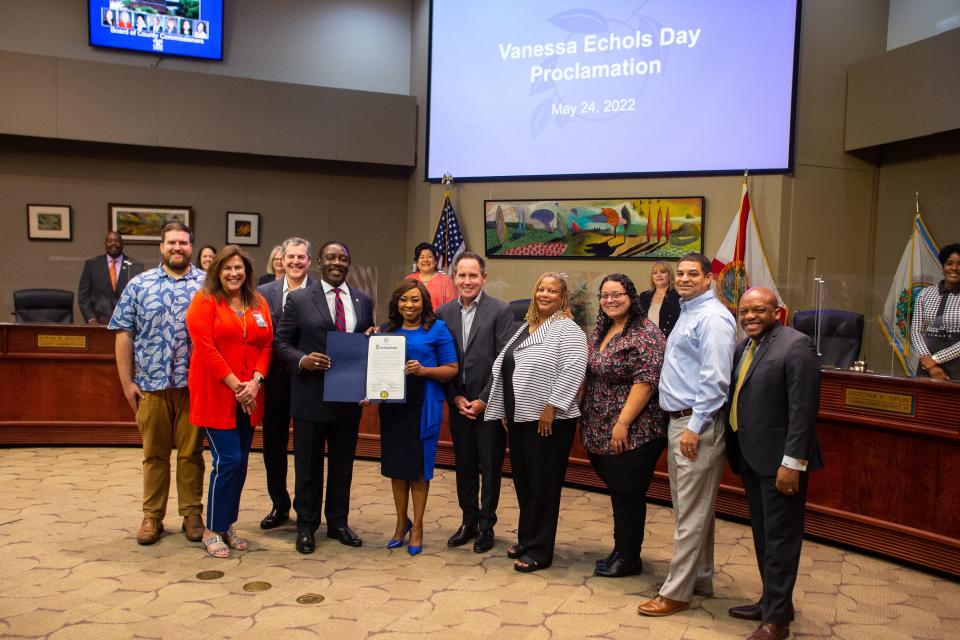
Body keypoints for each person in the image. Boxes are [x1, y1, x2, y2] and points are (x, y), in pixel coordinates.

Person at [637, 252, 736, 617]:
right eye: (680, 273)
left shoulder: (712, 318)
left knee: (690, 514)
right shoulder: (689, 309)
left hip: (697, 424)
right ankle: (701, 578)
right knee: (694, 511)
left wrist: (694, 427)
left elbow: (715, 381)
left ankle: (676, 592)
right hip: (680, 421)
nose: (683, 278)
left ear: (708, 278)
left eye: (693, 273)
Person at [724, 287, 823, 640]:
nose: (749, 316)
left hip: (781, 462)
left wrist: (793, 463)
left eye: (759, 310)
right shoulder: (744, 347)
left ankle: (777, 622)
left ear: (776, 313)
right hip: (751, 457)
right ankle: (772, 602)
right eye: (744, 311)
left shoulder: (796, 346)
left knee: (781, 540)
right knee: (764, 536)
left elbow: (803, 411)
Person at [482, 272, 587, 572]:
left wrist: (552, 407)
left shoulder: (569, 330)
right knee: (525, 482)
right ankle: (527, 539)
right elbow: (507, 368)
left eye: (552, 291)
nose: (544, 294)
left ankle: (540, 550)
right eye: (540, 288)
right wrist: (504, 408)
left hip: (549, 421)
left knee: (544, 485)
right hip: (519, 417)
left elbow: (573, 370)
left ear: (563, 297)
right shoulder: (526, 327)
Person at [108, 222, 205, 546]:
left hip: (193, 389)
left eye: (183, 243)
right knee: (154, 455)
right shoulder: (139, 285)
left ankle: (192, 514)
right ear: (161, 247)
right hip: (151, 388)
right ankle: (153, 517)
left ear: (191, 246)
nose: (177, 247)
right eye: (171, 242)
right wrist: (126, 383)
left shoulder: (208, 286)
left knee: (192, 455)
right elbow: (124, 334)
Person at [274, 241, 374, 553]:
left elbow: (364, 342)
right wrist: (302, 360)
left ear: (349, 263)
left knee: (343, 464)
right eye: (330, 257)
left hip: (348, 398)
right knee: (308, 465)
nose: (336, 263)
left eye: (342, 258)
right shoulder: (301, 298)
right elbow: (281, 342)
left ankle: (338, 523)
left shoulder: (363, 300)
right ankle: (306, 526)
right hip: (311, 397)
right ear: (319, 261)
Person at [186, 246, 273, 558]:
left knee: (240, 465)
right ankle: (212, 528)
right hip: (216, 394)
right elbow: (205, 348)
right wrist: (237, 385)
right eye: (227, 268)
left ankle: (226, 524)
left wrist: (257, 381)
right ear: (216, 272)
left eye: (239, 268)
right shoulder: (204, 301)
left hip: (249, 396)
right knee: (228, 461)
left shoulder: (258, 302)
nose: (234, 273)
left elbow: (266, 344)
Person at [580, 273, 667, 578]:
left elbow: (645, 382)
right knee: (619, 492)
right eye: (605, 295)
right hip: (599, 426)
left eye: (617, 294)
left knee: (628, 492)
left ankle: (629, 557)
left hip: (634, 429)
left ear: (631, 297)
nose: (610, 300)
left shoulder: (646, 334)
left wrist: (622, 423)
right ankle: (622, 551)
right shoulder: (604, 328)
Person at [436, 252, 515, 553]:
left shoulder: (500, 310)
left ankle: (486, 525)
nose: (467, 281)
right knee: (465, 465)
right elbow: (442, 359)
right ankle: (468, 520)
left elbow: (504, 360)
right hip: (458, 402)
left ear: (484, 277)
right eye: (461, 275)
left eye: (473, 275)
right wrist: (455, 396)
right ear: (454, 278)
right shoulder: (443, 313)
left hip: (489, 404)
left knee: (490, 466)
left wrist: (484, 400)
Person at [377, 279, 458, 555]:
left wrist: (424, 370)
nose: (408, 305)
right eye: (403, 299)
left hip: (422, 406)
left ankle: (419, 526)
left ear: (424, 302)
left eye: (414, 299)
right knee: (396, 470)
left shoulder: (437, 329)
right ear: (395, 303)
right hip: (392, 408)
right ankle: (401, 523)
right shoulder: (385, 331)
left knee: (418, 471)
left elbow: (451, 368)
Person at [256, 237, 313, 530]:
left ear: (309, 261)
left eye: (300, 257)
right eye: (290, 256)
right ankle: (279, 504)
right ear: (281, 259)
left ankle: (307, 510)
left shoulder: (319, 292)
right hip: (274, 380)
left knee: (307, 448)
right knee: (273, 446)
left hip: (309, 380)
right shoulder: (263, 293)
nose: (294, 262)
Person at [911, 243, 960, 381]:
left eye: (959, 264)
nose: (955, 268)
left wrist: (936, 359)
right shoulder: (925, 294)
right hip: (926, 366)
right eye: (949, 263)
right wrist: (930, 364)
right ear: (942, 267)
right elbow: (916, 331)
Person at [78, 231, 144, 325]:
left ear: (122, 244)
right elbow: (83, 297)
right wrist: (91, 318)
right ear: (105, 244)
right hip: (98, 323)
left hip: (127, 324)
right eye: (110, 241)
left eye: (117, 241)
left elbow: (141, 297)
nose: (113, 243)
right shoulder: (92, 265)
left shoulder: (135, 266)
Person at [638, 260, 681, 337]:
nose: (658, 275)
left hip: (668, 342)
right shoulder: (644, 296)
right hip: (646, 342)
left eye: (663, 272)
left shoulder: (678, 296)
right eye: (655, 273)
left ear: (670, 275)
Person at [407, 242, 456, 308]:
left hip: (439, 318)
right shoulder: (409, 280)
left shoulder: (445, 280)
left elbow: (452, 306)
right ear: (417, 263)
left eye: (429, 257)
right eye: (422, 257)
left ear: (435, 261)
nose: (425, 260)